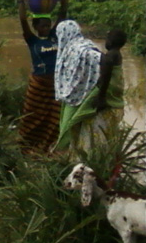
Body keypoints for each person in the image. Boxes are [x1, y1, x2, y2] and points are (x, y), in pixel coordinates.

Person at [54, 23, 126, 155]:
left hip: (106, 93)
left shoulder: (105, 54)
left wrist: (101, 96)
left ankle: (67, 151)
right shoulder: (85, 47)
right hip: (114, 92)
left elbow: (104, 62)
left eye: (107, 39)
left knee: (77, 120)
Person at [16, 0, 68, 152]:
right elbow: (22, 19)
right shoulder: (32, 40)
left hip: (56, 86)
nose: (46, 27)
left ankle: (49, 149)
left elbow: (63, 13)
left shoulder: (55, 36)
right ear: (36, 27)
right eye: (43, 25)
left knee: (54, 119)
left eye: (48, 25)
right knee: (32, 117)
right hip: (39, 86)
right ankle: (26, 148)